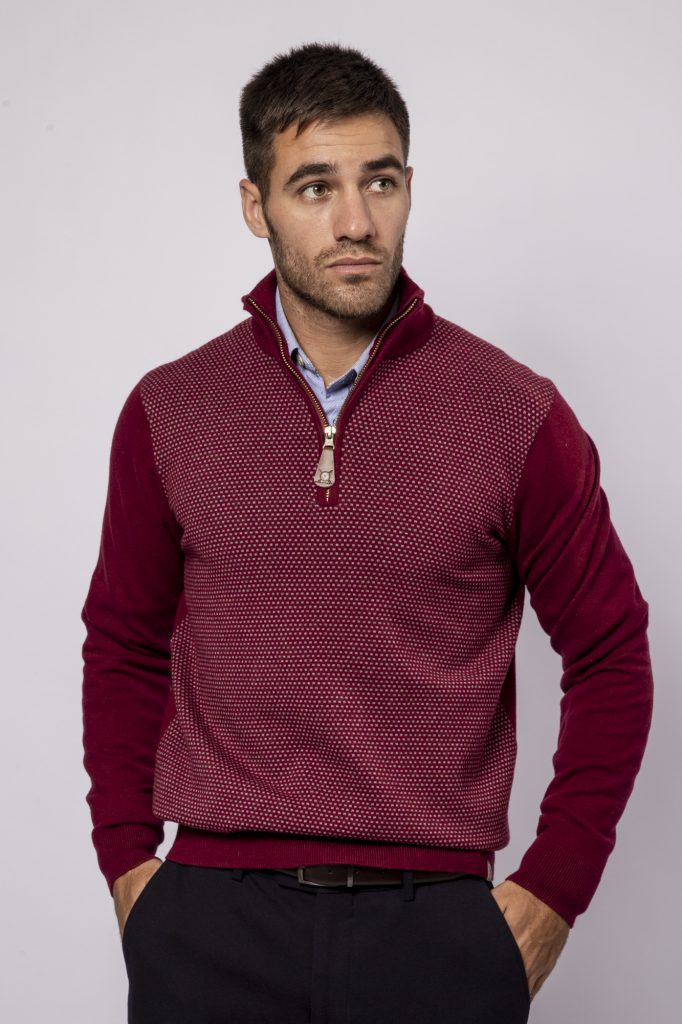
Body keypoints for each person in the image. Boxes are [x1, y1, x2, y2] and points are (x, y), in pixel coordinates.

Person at [80, 42, 654, 1024]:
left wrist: (553, 891)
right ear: (255, 205)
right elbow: (124, 646)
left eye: (379, 181)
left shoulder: (514, 414)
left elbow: (611, 653)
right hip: (209, 925)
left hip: (435, 933)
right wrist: (133, 871)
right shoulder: (170, 412)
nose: (355, 221)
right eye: (315, 187)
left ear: (409, 188)